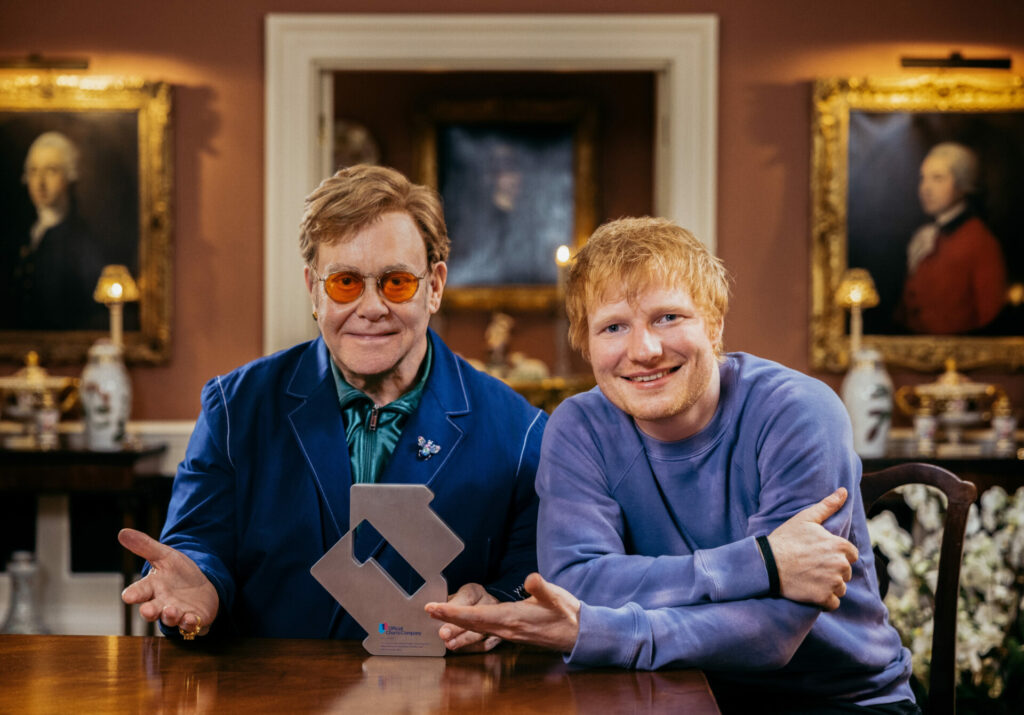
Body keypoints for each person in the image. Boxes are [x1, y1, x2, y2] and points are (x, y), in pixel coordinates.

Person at [427, 217, 917, 713]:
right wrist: (763, 562)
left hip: (837, 701)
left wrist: (602, 631)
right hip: (656, 690)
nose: (644, 351)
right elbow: (580, 582)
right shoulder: (578, 427)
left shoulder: (799, 413)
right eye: (613, 327)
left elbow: (772, 635)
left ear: (715, 322)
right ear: (586, 344)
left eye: (668, 318)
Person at [119, 165, 547, 646]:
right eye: (345, 282)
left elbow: (533, 575)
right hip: (272, 697)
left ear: (435, 286)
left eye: (397, 282)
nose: (370, 308)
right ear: (313, 289)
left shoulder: (521, 431)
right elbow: (197, 545)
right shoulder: (236, 408)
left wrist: (501, 603)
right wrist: (199, 594)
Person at [897, 142, 1006, 334]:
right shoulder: (926, 236)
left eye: (938, 178)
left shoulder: (980, 242)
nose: (926, 188)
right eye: (923, 178)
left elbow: (991, 317)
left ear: (962, 185)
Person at [6, 131, 107, 331]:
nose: (40, 182)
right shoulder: (19, 236)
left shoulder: (82, 243)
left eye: (51, 170)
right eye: (34, 171)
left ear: (69, 176)